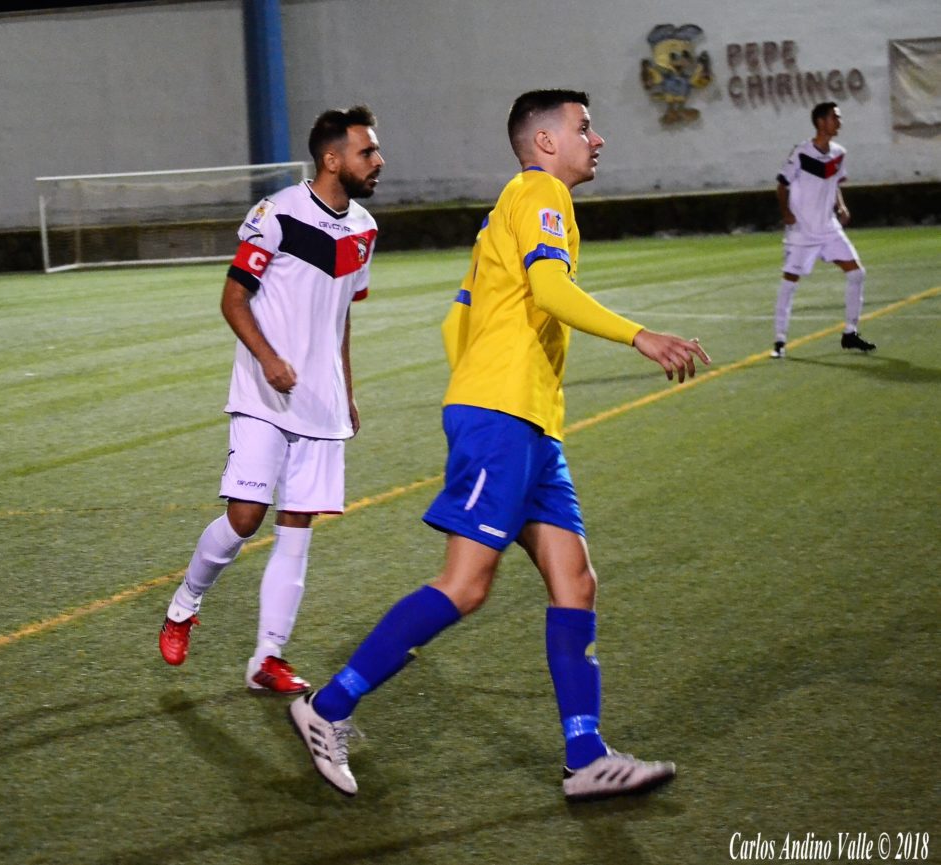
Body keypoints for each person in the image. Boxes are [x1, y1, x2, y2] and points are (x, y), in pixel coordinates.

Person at [287, 89, 710, 801]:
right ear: (545, 142)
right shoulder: (542, 192)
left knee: (576, 582)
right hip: (505, 418)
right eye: (584, 127)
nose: (597, 139)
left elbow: (457, 320)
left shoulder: (506, 208)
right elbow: (549, 288)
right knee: (466, 584)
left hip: (526, 421)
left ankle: (586, 756)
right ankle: (326, 708)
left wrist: (486, 386)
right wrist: (638, 335)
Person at [158, 106, 384, 695]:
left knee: (297, 529)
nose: (378, 161)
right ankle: (185, 603)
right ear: (332, 159)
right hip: (264, 394)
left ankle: (267, 658)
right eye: (367, 151)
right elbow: (233, 300)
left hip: (320, 404)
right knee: (245, 518)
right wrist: (268, 360)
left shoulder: (364, 229)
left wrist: (346, 391)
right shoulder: (277, 214)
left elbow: (341, 318)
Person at [771, 101, 874, 358]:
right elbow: (782, 185)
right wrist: (786, 213)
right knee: (789, 282)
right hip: (802, 231)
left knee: (856, 274)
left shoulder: (838, 153)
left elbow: (834, 182)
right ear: (821, 122)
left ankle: (850, 333)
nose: (839, 122)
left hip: (829, 229)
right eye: (834, 117)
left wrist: (841, 205)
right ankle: (780, 340)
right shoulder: (801, 152)